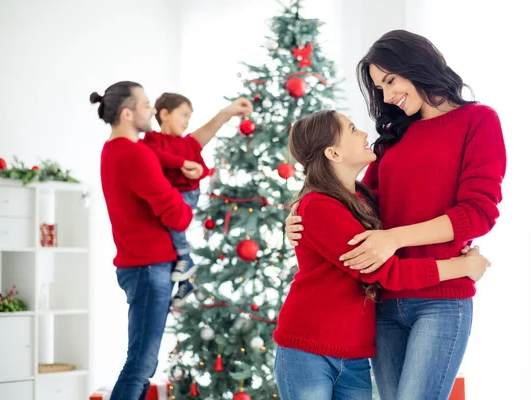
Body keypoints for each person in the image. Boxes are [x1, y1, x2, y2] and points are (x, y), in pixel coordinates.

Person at [285, 30, 506, 400]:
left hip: (442, 300)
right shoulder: (395, 137)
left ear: (416, 65)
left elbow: (478, 212)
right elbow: (356, 201)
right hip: (385, 301)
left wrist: (396, 238)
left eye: (390, 81)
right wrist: (298, 212)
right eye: (379, 88)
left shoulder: (478, 121)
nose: (386, 96)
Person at [274, 109, 491, 400]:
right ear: (333, 154)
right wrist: (463, 266)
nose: (364, 134)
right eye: (352, 129)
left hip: (353, 357)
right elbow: (385, 271)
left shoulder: (362, 201)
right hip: (309, 351)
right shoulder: (319, 207)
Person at [91, 81, 193, 400]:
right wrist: (186, 197)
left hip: (141, 266)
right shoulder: (135, 155)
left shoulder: (113, 150)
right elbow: (178, 216)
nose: (152, 109)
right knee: (140, 364)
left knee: (141, 362)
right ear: (126, 113)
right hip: (149, 269)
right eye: (146, 104)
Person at [142, 93, 252, 306]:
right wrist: (182, 163)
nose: (186, 121)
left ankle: (185, 259)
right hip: (171, 198)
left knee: (173, 224)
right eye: (183, 115)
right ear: (164, 114)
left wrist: (198, 170)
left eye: (189, 117)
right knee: (170, 231)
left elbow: (202, 167)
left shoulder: (188, 143)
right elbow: (156, 155)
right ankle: (186, 282)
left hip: (186, 195)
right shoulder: (152, 141)